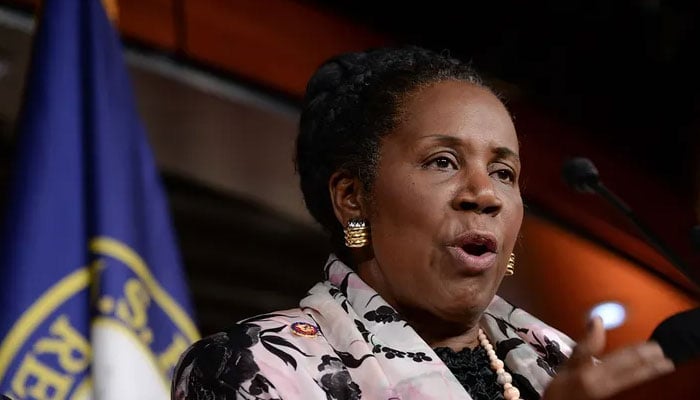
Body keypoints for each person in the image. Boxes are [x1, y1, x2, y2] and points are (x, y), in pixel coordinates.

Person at [171, 46, 674, 400]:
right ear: (352, 197)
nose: (484, 195)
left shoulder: (563, 366)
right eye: (443, 162)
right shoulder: (251, 368)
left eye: (504, 172)